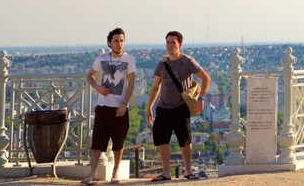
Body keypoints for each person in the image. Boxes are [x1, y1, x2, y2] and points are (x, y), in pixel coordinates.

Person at [146, 31, 211, 181]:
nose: (170, 45)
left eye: (173, 42)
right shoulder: (162, 64)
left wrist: (201, 98)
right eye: (168, 42)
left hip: (181, 107)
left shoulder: (188, 61)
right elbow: (155, 87)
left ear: (180, 44)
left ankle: (188, 170)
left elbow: (206, 78)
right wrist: (149, 106)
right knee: (162, 140)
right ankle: (166, 172)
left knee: (185, 140)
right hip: (163, 107)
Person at [81, 28, 136, 185]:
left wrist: (125, 104)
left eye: (122, 40)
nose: (119, 44)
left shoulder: (129, 59)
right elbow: (89, 76)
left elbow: (131, 82)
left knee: (118, 143)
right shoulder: (101, 59)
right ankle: (91, 174)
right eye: (116, 41)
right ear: (109, 43)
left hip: (120, 107)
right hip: (103, 106)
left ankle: (115, 173)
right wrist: (97, 87)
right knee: (97, 141)